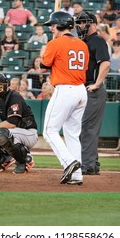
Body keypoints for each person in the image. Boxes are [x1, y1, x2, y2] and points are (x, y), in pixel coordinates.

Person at [40, 11, 89, 185]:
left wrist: (46, 49)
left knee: (49, 131)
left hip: (65, 89)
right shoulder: (82, 44)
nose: (51, 28)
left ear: (61, 25)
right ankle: (77, 176)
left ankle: (69, 162)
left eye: (53, 25)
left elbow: (42, 67)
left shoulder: (55, 43)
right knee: (72, 134)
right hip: (81, 91)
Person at [75, 12, 110, 176]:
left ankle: (87, 165)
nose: (81, 25)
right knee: (84, 127)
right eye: (79, 22)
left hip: (92, 89)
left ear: (94, 24)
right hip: (82, 88)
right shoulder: (81, 42)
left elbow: (105, 63)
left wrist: (96, 84)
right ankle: (92, 164)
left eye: (84, 22)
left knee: (87, 127)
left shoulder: (98, 40)